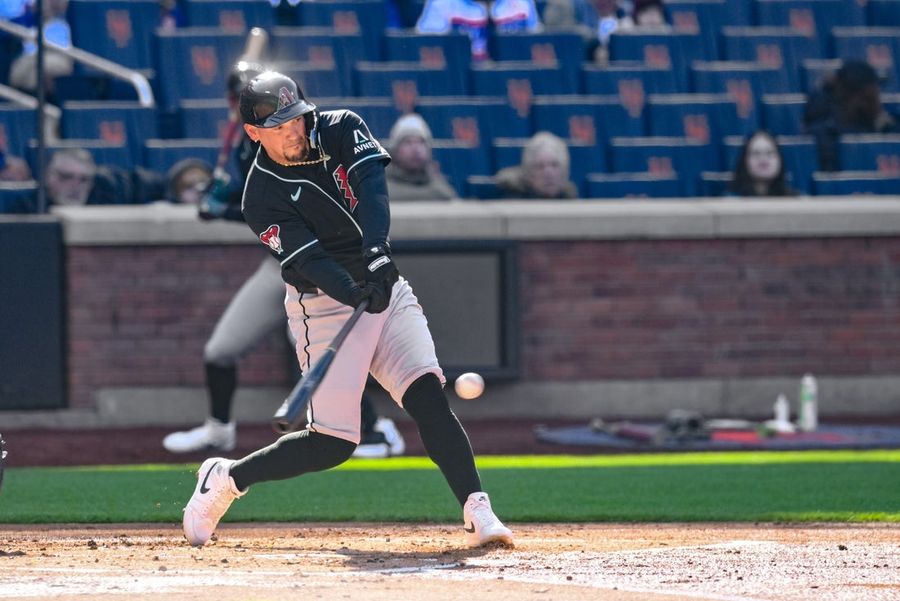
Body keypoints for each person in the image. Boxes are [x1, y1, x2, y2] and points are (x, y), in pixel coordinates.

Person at [181, 71, 513, 549]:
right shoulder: (260, 197)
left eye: (295, 119)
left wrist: (377, 254)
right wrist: (353, 288)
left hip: (384, 284)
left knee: (427, 396)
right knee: (333, 443)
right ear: (253, 133)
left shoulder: (339, 126)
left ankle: (478, 509)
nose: (294, 131)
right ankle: (228, 477)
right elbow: (311, 261)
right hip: (322, 304)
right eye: (279, 125)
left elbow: (372, 188)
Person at [163, 62, 405, 460]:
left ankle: (376, 430)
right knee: (220, 351)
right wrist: (215, 197)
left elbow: (292, 208)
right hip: (282, 264)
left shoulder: (312, 137)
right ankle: (218, 431)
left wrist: (220, 210)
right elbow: (260, 212)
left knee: (323, 351)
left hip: (331, 261)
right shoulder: (248, 148)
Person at [804, 59, 900, 172]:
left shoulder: (885, 128)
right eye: (872, 98)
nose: (879, 105)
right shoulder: (822, 137)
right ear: (859, 99)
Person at [45, 148, 165, 206]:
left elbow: (157, 184)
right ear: (49, 177)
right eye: (67, 177)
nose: (76, 186)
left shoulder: (109, 189)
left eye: (84, 179)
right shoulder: (30, 208)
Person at [384, 113, 458, 201]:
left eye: (421, 142)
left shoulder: (439, 185)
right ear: (394, 151)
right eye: (408, 142)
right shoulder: (382, 188)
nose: (416, 149)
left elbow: (448, 195)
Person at [8, 0, 74, 96]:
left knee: (44, 66)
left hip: (64, 57)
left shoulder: (75, 17)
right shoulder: (36, 18)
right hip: (32, 57)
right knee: (23, 68)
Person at [495, 131, 578, 199]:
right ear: (529, 173)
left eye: (554, 165)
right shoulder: (514, 200)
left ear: (564, 171)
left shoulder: (569, 197)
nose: (548, 173)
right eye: (540, 167)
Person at [727, 130, 798, 197]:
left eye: (769, 153)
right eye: (756, 153)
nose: (763, 159)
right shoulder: (729, 202)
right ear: (744, 160)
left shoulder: (797, 202)